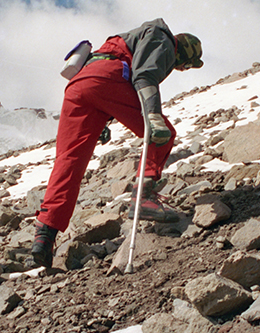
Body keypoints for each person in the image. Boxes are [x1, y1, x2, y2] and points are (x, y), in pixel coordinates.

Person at [31, 19, 203, 268]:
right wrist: (152, 116)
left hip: (78, 86)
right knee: (162, 135)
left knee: (69, 161)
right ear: (184, 52)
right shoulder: (164, 39)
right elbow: (144, 75)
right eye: (187, 65)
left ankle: (43, 238)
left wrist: (102, 121)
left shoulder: (134, 36)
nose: (183, 69)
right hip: (107, 78)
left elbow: (104, 79)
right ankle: (143, 197)